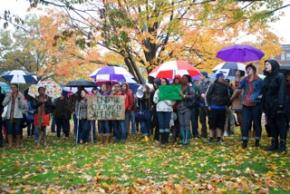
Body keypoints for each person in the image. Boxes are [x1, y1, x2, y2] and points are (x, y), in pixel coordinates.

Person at [235, 64, 263, 148]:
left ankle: (257, 141)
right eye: (246, 69)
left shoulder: (259, 80)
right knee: (245, 123)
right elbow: (238, 88)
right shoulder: (245, 80)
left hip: (256, 105)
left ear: (254, 70)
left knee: (257, 124)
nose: (247, 71)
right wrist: (237, 78)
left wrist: (259, 96)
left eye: (249, 69)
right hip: (246, 105)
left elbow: (263, 91)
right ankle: (244, 141)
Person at [262, 59, 287, 152]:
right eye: (265, 65)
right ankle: (274, 144)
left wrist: (280, 105)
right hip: (269, 105)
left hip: (278, 105)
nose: (266, 66)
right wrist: (263, 105)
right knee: (272, 125)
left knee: (281, 125)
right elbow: (264, 93)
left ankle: (283, 146)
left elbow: (282, 91)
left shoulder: (280, 76)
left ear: (273, 65)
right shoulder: (266, 78)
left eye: (268, 64)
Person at [206, 72, 231, 143]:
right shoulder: (213, 85)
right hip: (213, 107)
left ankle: (219, 137)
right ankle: (211, 137)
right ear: (218, 78)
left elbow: (227, 97)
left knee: (220, 123)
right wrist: (209, 105)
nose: (223, 78)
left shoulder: (226, 86)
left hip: (222, 108)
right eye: (221, 77)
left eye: (223, 77)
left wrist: (227, 104)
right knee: (212, 123)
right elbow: (208, 95)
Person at [153, 78, 175, 145]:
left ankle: (166, 139)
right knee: (161, 124)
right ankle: (162, 140)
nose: (163, 83)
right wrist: (159, 96)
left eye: (164, 81)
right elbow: (154, 100)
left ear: (167, 82)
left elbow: (173, 100)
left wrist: (167, 100)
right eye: (161, 82)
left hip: (168, 109)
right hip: (160, 109)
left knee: (166, 124)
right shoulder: (158, 90)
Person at [177, 75, 195, 145]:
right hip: (179, 107)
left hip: (187, 107)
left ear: (188, 80)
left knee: (186, 124)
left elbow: (193, 96)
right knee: (181, 124)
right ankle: (183, 138)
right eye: (182, 78)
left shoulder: (190, 88)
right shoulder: (178, 88)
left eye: (185, 79)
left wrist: (184, 96)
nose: (183, 80)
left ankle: (187, 139)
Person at [199, 71, 211, 138]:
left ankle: (211, 133)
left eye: (201, 75)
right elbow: (199, 92)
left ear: (204, 76)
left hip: (208, 104)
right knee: (202, 120)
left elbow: (211, 93)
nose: (200, 77)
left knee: (210, 120)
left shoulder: (210, 83)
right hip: (201, 104)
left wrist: (206, 95)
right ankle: (204, 133)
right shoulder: (200, 84)